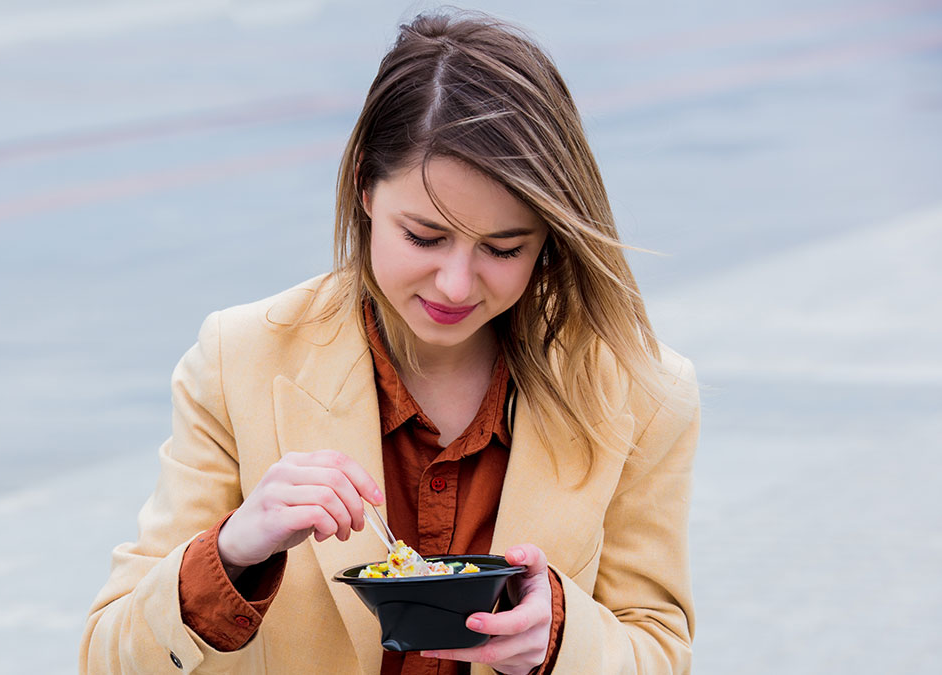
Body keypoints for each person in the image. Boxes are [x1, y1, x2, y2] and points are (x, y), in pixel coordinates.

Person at [80, 9, 699, 675]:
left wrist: (558, 639)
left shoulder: (641, 392)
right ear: (365, 189)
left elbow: (658, 648)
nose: (456, 283)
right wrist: (232, 549)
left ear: (549, 238)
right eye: (425, 236)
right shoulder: (241, 359)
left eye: (503, 247)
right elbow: (107, 656)